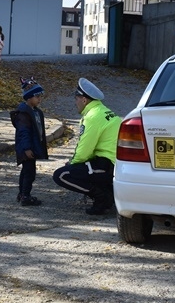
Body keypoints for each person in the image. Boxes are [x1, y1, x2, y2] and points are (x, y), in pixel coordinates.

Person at [52, 78, 122, 215]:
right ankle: (108, 192)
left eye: (76, 99)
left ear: (84, 100)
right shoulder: (104, 111)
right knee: (84, 168)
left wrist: (72, 163)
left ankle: (102, 197)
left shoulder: (92, 117)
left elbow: (84, 150)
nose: (75, 102)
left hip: (107, 165)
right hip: (116, 164)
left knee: (61, 175)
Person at [11, 77, 48, 206]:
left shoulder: (35, 112)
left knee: (26, 171)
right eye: (37, 96)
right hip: (26, 148)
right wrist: (27, 148)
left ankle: (22, 193)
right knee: (29, 173)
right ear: (29, 97)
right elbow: (23, 132)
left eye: (40, 96)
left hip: (31, 147)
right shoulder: (24, 114)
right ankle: (25, 195)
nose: (39, 99)